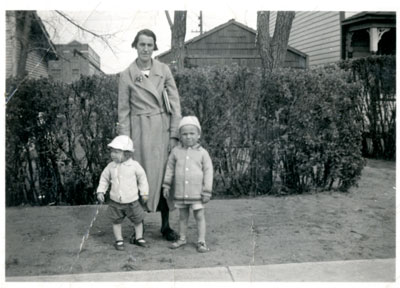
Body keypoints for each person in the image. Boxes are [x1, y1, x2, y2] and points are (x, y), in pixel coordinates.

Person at [118, 29, 182, 241]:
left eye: (149, 45)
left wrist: (174, 135)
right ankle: (140, 227)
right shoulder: (127, 75)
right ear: (135, 46)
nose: (145, 49)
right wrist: (126, 144)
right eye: (141, 44)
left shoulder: (163, 70)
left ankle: (165, 226)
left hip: (162, 130)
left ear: (154, 47)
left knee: (165, 176)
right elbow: (123, 112)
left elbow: (175, 105)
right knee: (139, 178)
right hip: (139, 133)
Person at [162, 116, 213, 253]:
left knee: (199, 216)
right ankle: (182, 238)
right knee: (183, 216)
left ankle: (201, 241)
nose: (188, 137)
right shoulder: (176, 152)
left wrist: (207, 191)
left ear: (198, 135)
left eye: (192, 133)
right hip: (181, 191)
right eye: (184, 134)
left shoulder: (202, 153)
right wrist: (166, 185)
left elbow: (208, 172)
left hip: (197, 192)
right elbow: (170, 168)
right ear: (179, 136)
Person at [96, 135, 149, 251]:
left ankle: (139, 237)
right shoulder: (111, 166)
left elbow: (142, 179)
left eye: (117, 152)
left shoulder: (134, 166)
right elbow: (104, 179)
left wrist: (144, 193)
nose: (113, 154)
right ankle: (119, 240)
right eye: (112, 152)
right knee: (116, 221)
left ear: (127, 153)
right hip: (116, 201)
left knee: (138, 219)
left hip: (132, 200)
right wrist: (101, 191)